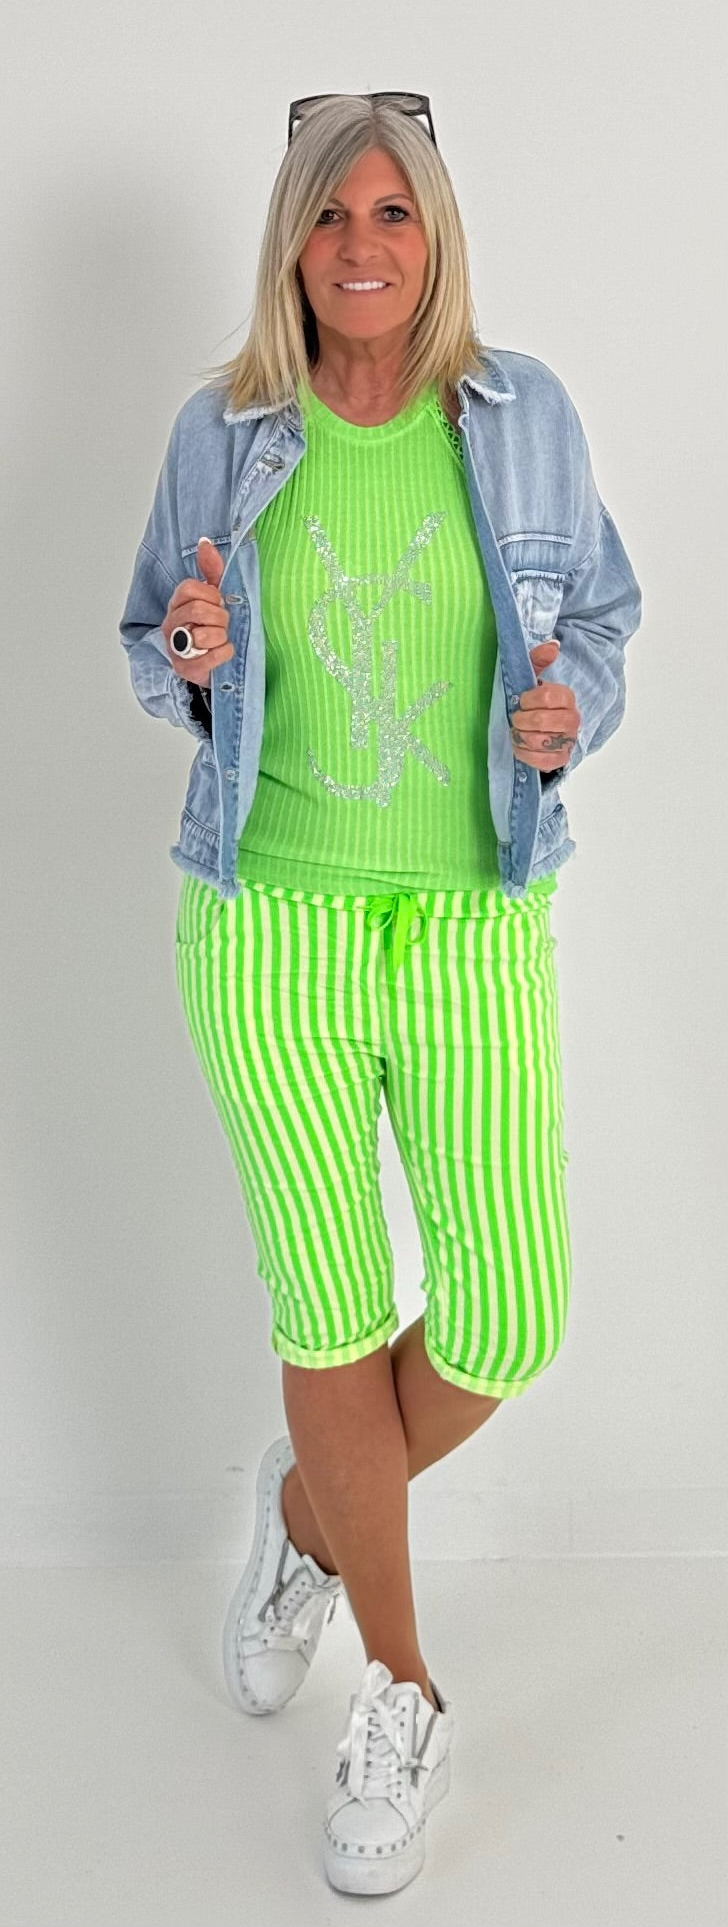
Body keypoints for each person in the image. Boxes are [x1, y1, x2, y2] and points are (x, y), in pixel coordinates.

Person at [118, 91, 642, 1897]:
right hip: (270, 923)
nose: (362, 243)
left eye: (394, 212)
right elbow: (154, 638)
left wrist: (570, 715)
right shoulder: (222, 433)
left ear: (436, 236)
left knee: (510, 1308)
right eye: (333, 212)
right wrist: (195, 660)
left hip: (472, 916)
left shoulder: (526, 418)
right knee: (332, 1304)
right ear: (292, 238)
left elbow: (603, 624)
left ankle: (304, 1513)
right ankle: (403, 1687)